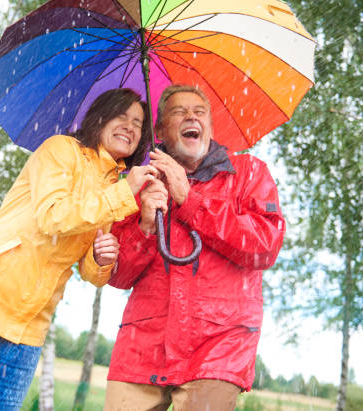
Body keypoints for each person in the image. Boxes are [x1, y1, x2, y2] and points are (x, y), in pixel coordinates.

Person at [0, 88, 158, 410]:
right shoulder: (61, 150)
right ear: (100, 118)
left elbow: (90, 272)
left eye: (138, 123)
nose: (130, 126)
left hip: (31, 323)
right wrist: (124, 193)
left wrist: (100, 258)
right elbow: (53, 217)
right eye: (121, 116)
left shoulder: (114, 188)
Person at [104, 85, 286, 411]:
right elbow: (116, 275)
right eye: (178, 111)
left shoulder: (248, 173)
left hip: (218, 346)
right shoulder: (138, 182)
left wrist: (190, 201)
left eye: (199, 111)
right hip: (142, 347)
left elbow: (264, 246)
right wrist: (145, 225)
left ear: (211, 127)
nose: (191, 116)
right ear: (159, 130)